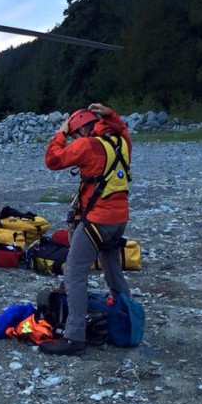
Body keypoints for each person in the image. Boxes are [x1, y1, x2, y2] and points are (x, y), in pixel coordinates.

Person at [40, 103, 132, 356]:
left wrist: (60, 133)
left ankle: (74, 336)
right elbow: (122, 127)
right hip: (119, 218)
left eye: (74, 134)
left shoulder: (88, 145)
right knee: (112, 269)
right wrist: (111, 114)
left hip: (97, 220)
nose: (73, 139)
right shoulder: (121, 141)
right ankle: (128, 319)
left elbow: (52, 159)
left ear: (81, 130)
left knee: (74, 273)